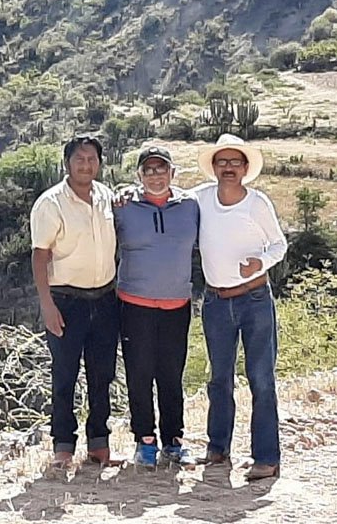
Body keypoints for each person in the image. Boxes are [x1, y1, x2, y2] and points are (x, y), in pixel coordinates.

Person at [194, 134, 287, 481]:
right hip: (216, 301)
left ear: (246, 168)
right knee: (219, 379)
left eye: (235, 162)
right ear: (214, 167)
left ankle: (267, 458)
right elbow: (168, 199)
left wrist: (260, 263)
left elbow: (278, 245)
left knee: (261, 379)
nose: (229, 168)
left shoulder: (257, 203)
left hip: (254, 299)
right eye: (223, 162)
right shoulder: (200, 199)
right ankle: (218, 449)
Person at [30, 135, 119, 467]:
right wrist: (47, 305)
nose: (86, 165)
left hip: (105, 299)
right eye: (79, 159)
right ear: (67, 163)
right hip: (66, 301)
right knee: (65, 375)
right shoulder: (50, 203)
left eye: (92, 159)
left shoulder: (106, 197)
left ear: (100, 163)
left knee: (102, 374)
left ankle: (99, 444)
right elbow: (40, 256)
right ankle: (63, 446)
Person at [113, 146, 199, 467]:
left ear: (172, 172)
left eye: (161, 168)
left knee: (171, 374)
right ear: (139, 175)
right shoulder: (123, 207)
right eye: (147, 170)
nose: (155, 175)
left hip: (177, 304)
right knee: (139, 373)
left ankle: (173, 441)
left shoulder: (191, 206)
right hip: (134, 303)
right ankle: (145, 440)